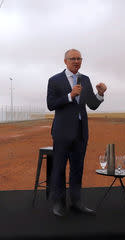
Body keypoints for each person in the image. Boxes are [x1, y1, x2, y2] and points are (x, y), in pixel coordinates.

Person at [46, 49, 107, 217]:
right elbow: (51, 104)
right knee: (58, 168)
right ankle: (58, 203)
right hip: (62, 132)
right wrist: (70, 95)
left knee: (77, 169)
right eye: (72, 58)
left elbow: (92, 105)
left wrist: (100, 94)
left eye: (79, 58)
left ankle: (76, 202)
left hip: (81, 131)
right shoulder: (54, 80)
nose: (76, 61)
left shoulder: (85, 79)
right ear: (65, 61)